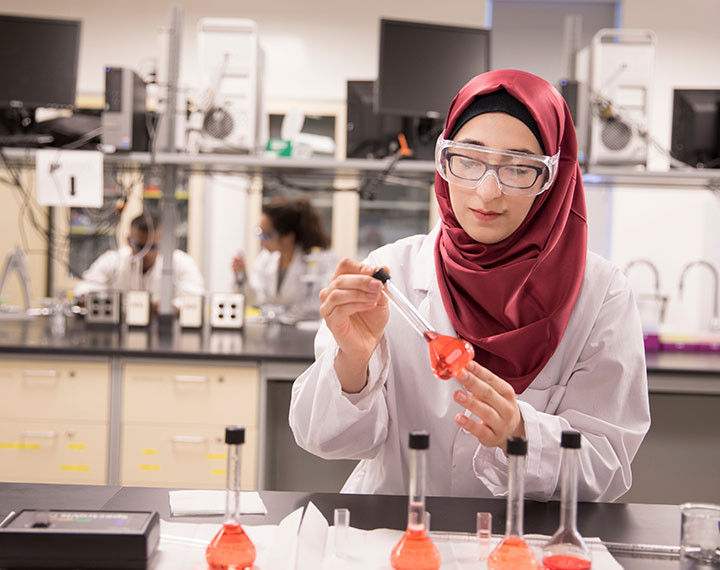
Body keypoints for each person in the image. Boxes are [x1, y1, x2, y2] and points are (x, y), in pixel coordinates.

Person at [289, 70, 650, 501]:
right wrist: (353, 361)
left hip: (520, 547)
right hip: (395, 538)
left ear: (554, 179)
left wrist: (520, 432)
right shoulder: (390, 274)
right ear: (444, 161)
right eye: (468, 159)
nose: (487, 190)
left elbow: (606, 470)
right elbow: (323, 440)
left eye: (520, 167)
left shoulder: (601, 295)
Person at [232, 196, 336, 320]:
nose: (262, 242)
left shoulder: (318, 261)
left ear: (288, 236)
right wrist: (241, 276)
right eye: (260, 233)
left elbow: (318, 307)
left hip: (308, 333)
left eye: (267, 235)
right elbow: (256, 300)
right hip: (275, 331)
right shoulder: (266, 259)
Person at [74, 213, 205, 309]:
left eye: (153, 247)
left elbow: (197, 298)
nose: (146, 253)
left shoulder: (180, 262)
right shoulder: (113, 261)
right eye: (140, 246)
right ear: (129, 241)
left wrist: (168, 308)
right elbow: (82, 292)